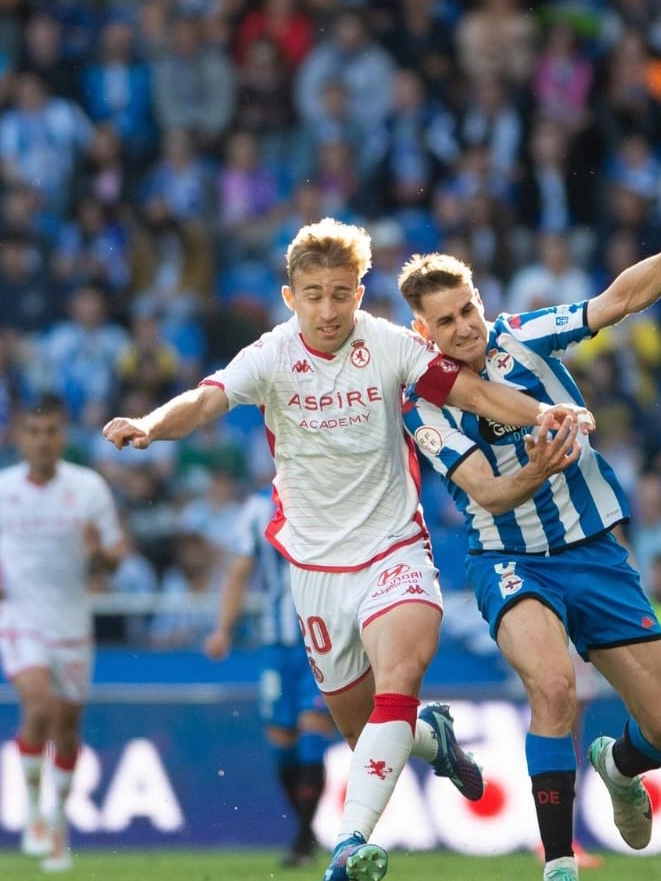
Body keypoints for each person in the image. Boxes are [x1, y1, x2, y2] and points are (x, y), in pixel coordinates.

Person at [102, 218, 589, 881]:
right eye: (314, 294)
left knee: (399, 682)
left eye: (341, 292)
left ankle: (348, 845)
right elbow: (206, 400)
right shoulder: (272, 356)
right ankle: (430, 737)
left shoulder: (390, 346)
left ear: (361, 292)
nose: (329, 309)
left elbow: (470, 392)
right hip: (315, 570)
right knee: (367, 739)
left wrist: (542, 414)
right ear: (289, 297)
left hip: (395, 548)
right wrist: (151, 426)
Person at [397, 192, 661, 881]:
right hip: (510, 559)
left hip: (595, 552)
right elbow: (490, 493)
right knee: (555, 688)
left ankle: (619, 767)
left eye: (469, 308)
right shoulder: (420, 404)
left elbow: (613, 301)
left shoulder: (519, 335)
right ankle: (559, 863)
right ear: (421, 328)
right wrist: (536, 465)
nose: (466, 327)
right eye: (448, 320)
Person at [0, 394, 126, 873]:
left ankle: (57, 821)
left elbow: (115, 554)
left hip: (71, 623)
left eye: (52, 431)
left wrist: (100, 555)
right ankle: (33, 813)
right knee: (39, 706)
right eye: (34, 432)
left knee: (67, 729)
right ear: (19, 437)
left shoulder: (89, 489)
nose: (43, 441)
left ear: (64, 434)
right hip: (17, 617)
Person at [205, 488, 338, 868]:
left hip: (323, 640)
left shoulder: (330, 492)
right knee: (282, 740)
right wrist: (223, 629)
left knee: (312, 732)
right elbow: (239, 572)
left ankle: (300, 841)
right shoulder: (257, 507)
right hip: (277, 645)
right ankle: (306, 832)